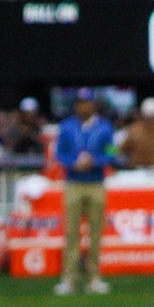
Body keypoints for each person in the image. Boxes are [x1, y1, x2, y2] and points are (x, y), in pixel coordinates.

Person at [54, 90, 117, 294]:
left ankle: (94, 277)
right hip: (73, 183)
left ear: (93, 105)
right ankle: (69, 278)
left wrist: (95, 161)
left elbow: (112, 152)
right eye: (80, 103)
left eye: (86, 103)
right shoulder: (66, 127)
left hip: (96, 183)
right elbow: (59, 154)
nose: (83, 107)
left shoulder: (105, 127)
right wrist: (74, 163)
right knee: (71, 232)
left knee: (96, 232)